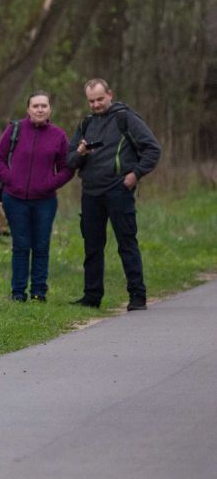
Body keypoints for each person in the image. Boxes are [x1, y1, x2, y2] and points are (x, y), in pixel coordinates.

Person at [65, 78, 161, 311]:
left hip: (118, 190)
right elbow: (69, 161)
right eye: (91, 101)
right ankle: (91, 297)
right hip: (90, 193)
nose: (96, 105)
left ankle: (137, 296)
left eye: (99, 99)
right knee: (92, 247)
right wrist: (79, 153)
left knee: (126, 242)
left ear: (110, 94)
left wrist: (135, 175)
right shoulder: (85, 123)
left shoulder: (125, 118)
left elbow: (152, 149)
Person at [0, 91, 76, 302]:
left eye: (44, 106)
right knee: (20, 245)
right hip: (15, 198)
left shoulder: (58, 136)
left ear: (49, 110)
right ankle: (18, 292)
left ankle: (39, 292)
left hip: (45, 201)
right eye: (35, 106)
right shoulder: (15, 129)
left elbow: (67, 168)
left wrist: (49, 184)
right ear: (28, 109)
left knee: (41, 245)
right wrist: (10, 179)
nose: (39, 109)